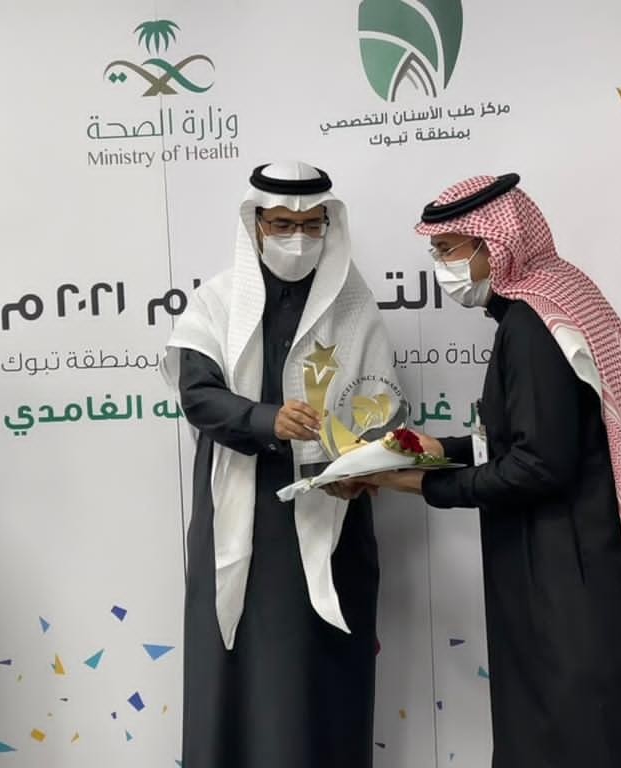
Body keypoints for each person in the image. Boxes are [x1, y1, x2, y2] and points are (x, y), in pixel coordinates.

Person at [367, 175, 621, 767]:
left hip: (567, 577)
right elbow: (533, 437)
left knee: (574, 740)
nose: (442, 268)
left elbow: (540, 465)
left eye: (449, 250)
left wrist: (427, 484)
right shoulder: (560, 292)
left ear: (495, 244)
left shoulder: (531, 327)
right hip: (592, 554)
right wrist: (439, 449)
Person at [163, 162, 398, 768]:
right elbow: (198, 395)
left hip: (331, 512)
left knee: (320, 673)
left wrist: (362, 462)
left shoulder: (353, 305)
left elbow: (381, 400)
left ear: (329, 225)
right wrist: (267, 420)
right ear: (256, 224)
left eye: (312, 224)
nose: (298, 238)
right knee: (238, 667)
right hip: (245, 510)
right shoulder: (218, 302)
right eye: (283, 225)